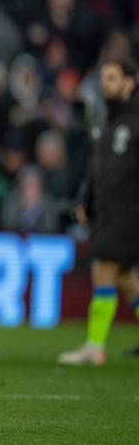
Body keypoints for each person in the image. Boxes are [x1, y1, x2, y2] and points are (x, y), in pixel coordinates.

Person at [60, 56, 139, 366]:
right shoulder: (111, 120)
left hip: (128, 211)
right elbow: (98, 168)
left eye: (112, 78)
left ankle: (94, 347)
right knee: (126, 279)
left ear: (129, 83)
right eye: (103, 78)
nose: (105, 84)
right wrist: (86, 200)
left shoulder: (133, 122)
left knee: (104, 269)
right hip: (109, 210)